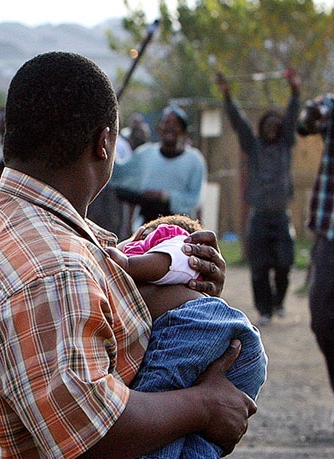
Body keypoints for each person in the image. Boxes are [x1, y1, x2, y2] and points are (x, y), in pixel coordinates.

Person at [0, 51, 256, 459]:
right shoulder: (53, 269)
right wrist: (203, 406)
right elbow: (93, 426)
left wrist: (185, 287)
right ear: (104, 143)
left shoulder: (18, 220)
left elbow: (104, 283)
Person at [103, 214, 266, 459]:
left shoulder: (172, 241)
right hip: (235, 347)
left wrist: (124, 261)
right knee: (194, 433)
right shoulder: (183, 284)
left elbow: (166, 260)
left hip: (202, 328)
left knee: (155, 391)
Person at [216, 69, 301, 327]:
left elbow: (293, 116)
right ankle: (264, 309)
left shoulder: (286, 146)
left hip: (281, 217)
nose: (273, 128)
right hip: (259, 218)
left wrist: (295, 91)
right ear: (262, 128)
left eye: (277, 125)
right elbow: (238, 121)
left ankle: (279, 302)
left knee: (285, 262)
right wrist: (227, 96)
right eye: (268, 125)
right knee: (259, 267)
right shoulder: (253, 147)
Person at [297, 91, 334, 425]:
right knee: (322, 318)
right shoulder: (331, 106)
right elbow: (311, 117)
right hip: (330, 235)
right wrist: (311, 117)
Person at [115, 106, 206, 225]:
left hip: (178, 226)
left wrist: (165, 196)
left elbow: (195, 199)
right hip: (147, 224)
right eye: (166, 123)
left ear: (184, 131)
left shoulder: (194, 160)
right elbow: (120, 176)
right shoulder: (146, 153)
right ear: (159, 128)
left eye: (175, 124)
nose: (170, 127)